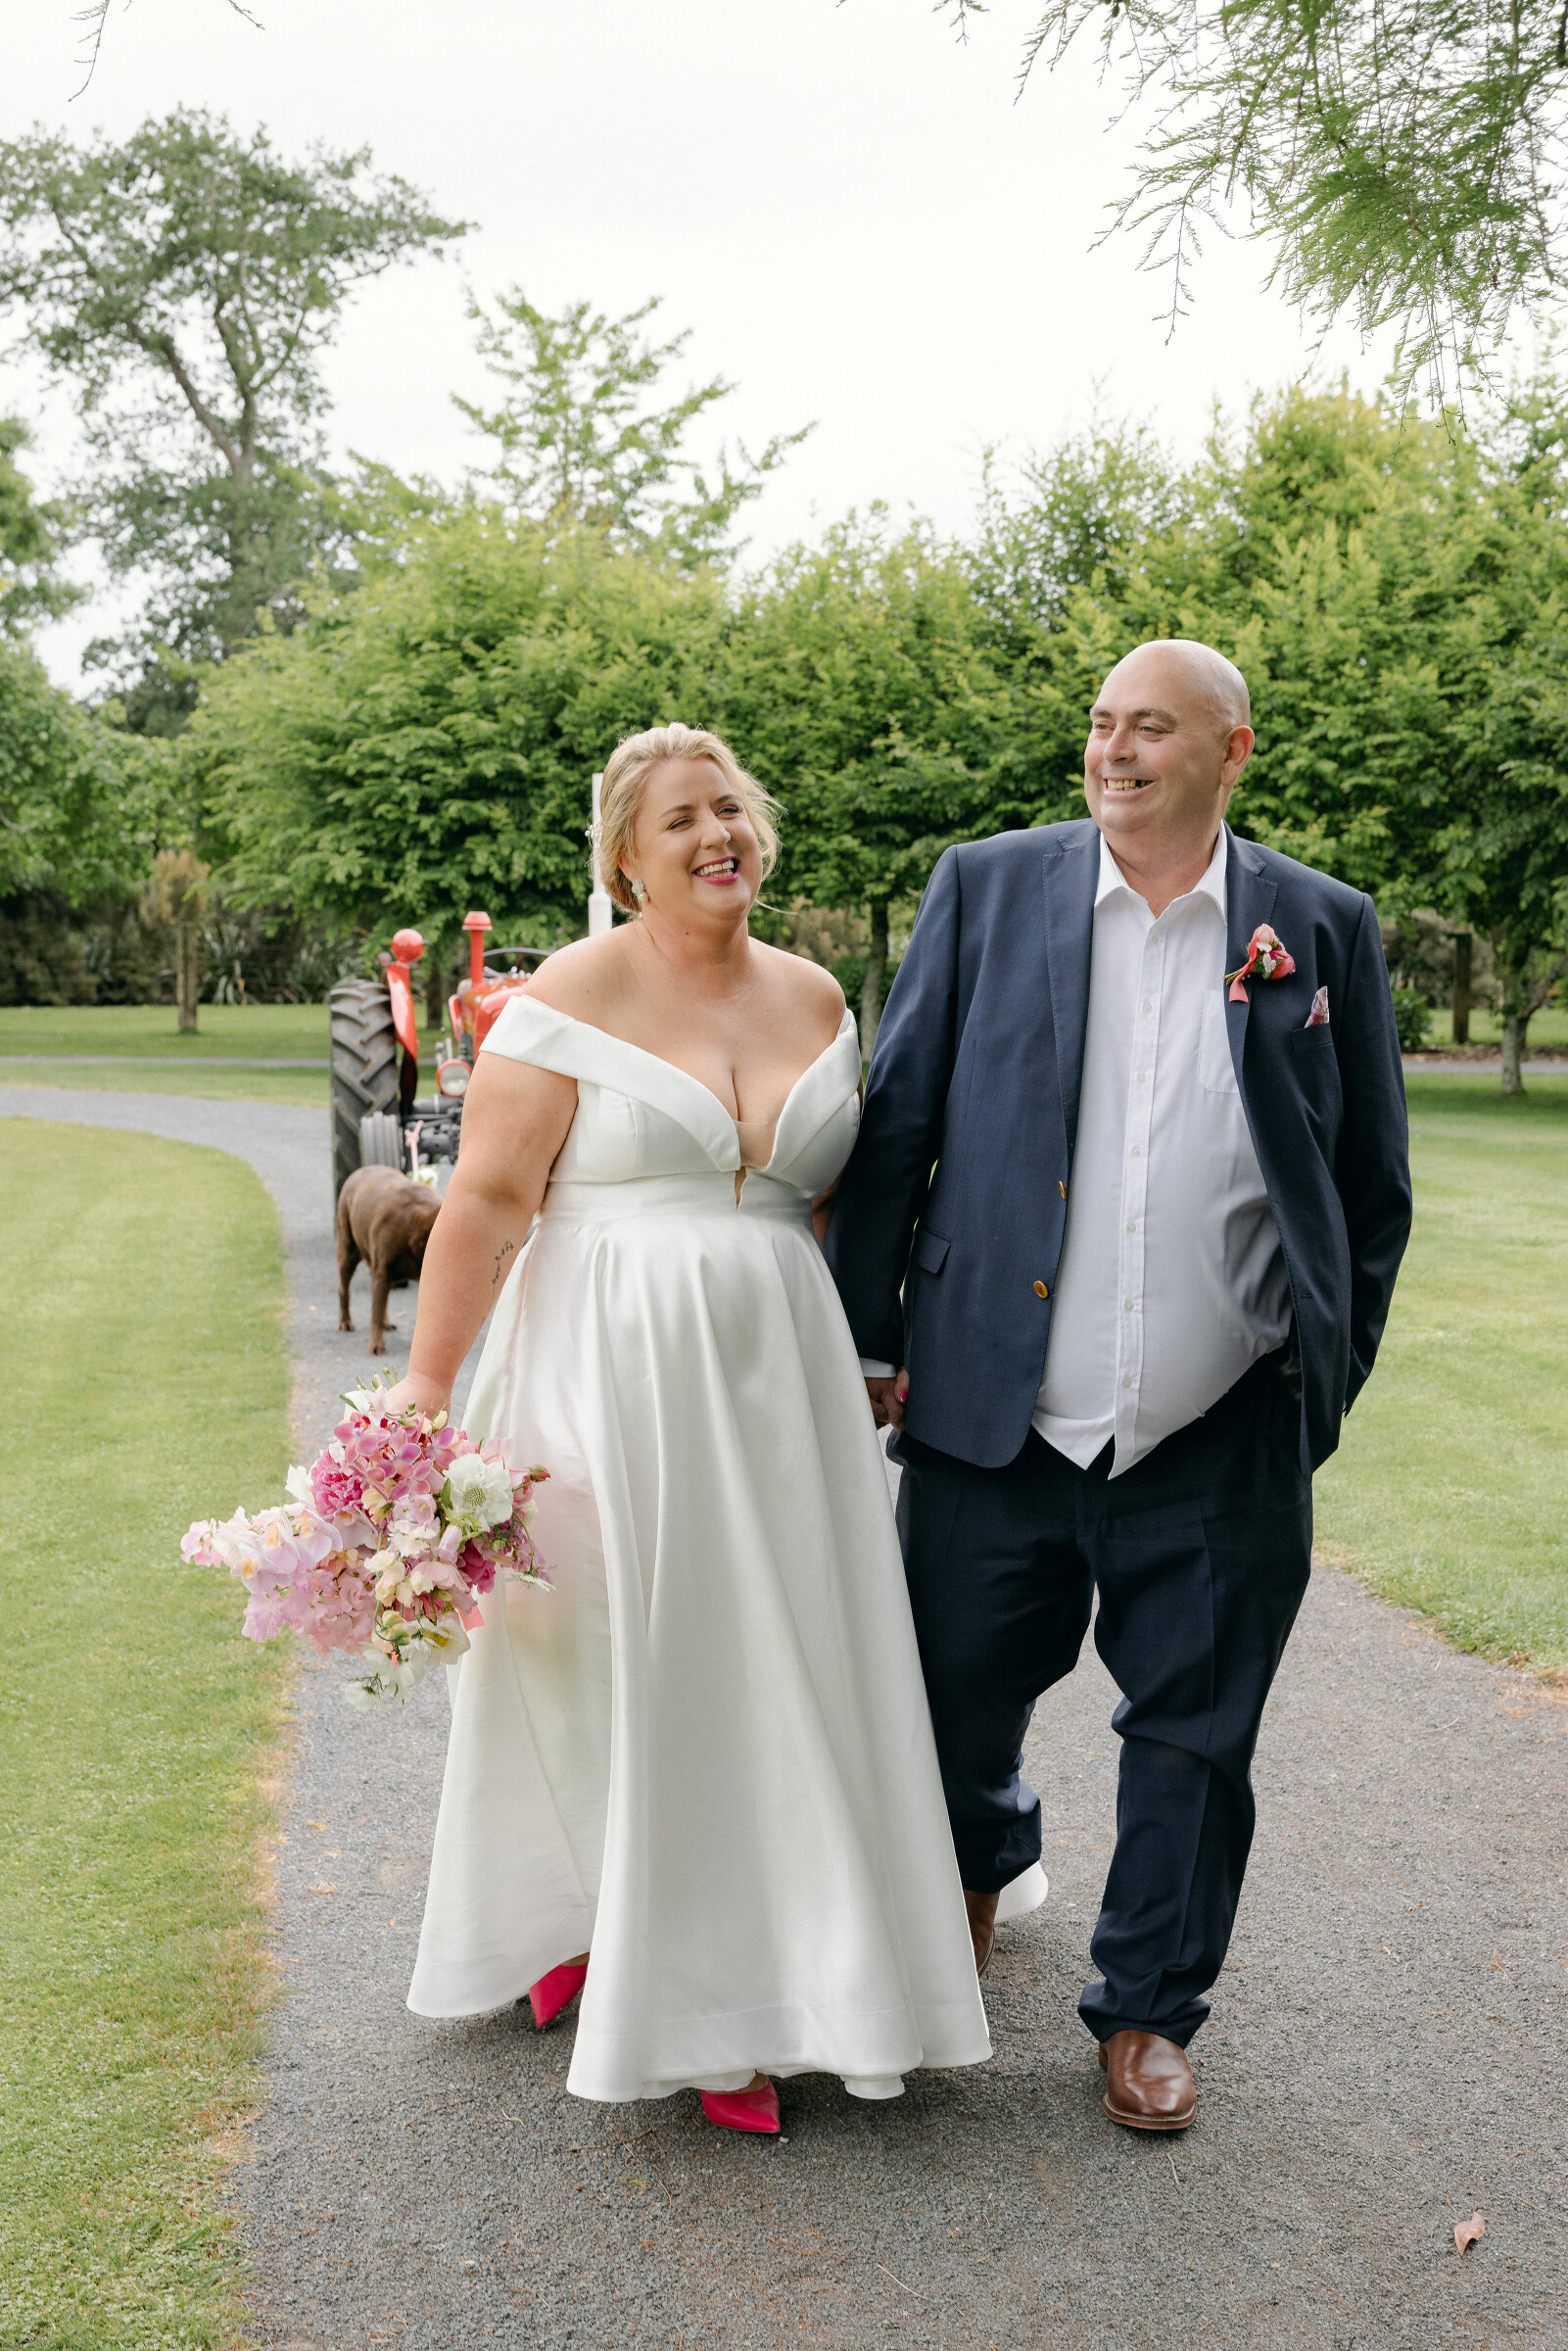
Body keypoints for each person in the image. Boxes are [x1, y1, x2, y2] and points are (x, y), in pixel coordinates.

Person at [826, 639, 1411, 2133]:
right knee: (952, 1699)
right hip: (990, 1411)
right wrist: (871, 1341)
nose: (1115, 750)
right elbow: (896, 1129)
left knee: (1194, 1740)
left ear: (1231, 749)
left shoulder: (1318, 926)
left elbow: (1367, 1186)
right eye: (1100, 725)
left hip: (1222, 1423)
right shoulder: (986, 886)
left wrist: (1315, 1381)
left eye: (1150, 726)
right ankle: (964, 1895)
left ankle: (1148, 2009)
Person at [390, 722, 990, 2134]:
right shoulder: (567, 992)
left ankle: (774, 1964)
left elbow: (839, 1199)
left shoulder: (816, 994)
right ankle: (631, 1951)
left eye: (729, 809)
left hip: (781, 1371)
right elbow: (488, 1199)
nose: (717, 834)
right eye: (681, 819)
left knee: (775, 1655)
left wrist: (871, 1348)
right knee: (619, 1653)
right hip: (605, 1357)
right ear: (625, 858)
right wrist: (424, 1389)